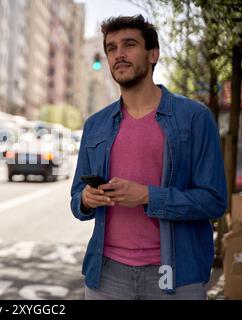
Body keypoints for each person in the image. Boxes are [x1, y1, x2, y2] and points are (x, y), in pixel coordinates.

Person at [70, 15, 227, 300]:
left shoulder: (194, 118)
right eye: (111, 48)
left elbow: (214, 200)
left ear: (153, 54)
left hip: (176, 275)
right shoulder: (95, 125)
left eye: (129, 44)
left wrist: (147, 196)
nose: (119, 54)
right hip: (106, 276)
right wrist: (86, 199)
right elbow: (76, 200)